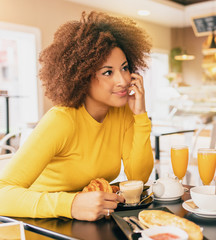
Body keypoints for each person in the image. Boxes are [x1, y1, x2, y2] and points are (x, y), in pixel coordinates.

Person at [0, 11, 154, 221]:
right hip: (43, 225)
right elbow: (2, 193)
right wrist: (70, 204)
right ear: (81, 77)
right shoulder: (61, 120)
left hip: (90, 224)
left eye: (125, 68)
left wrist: (140, 116)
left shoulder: (123, 112)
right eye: (108, 72)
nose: (123, 80)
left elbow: (138, 178)